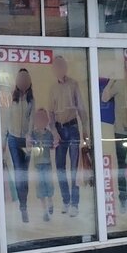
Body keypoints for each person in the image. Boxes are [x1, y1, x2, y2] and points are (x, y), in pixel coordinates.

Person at [48, 55, 89, 217]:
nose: (59, 68)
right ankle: (66, 201)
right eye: (56, 66)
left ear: (65, 67)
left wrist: (85, 129)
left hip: (72, 129)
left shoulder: (73, 84)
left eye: (62, 65)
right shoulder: (52, 88)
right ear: (54, 69)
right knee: (59, 167)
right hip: (59, 130)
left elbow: (81, 108)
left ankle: (75, 204)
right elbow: (51, 114)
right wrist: (54, 133)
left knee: (74, 168)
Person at [101, 60, 127, 211]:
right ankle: (123, 200)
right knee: (122, 167)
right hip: (120, 131)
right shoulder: (119, 84)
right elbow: (104, 98)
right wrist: (111, 81)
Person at [6, 68, 34, 223]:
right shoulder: (12, 97)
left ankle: (24, 202)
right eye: (21, 78)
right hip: (13, 138)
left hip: (26, 141)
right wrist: (3, 140)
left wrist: (29, 135)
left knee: (24, 173)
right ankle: (23, 207)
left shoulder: (31, 100)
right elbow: (6, 118)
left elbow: (32, 119)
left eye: (25, 78)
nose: (23, 81)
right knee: (18, 171)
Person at [28, 107, 55, 221]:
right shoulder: (33, 134)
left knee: (48, 184)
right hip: (38, 164)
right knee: (40, 187)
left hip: (47, 163)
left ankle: (50, 202)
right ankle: (45, 211)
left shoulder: (49, 134)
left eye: (43, 118)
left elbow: (52, 146)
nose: (40, 121)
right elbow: (29, 145)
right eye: (38, 119)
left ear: (46, 120)